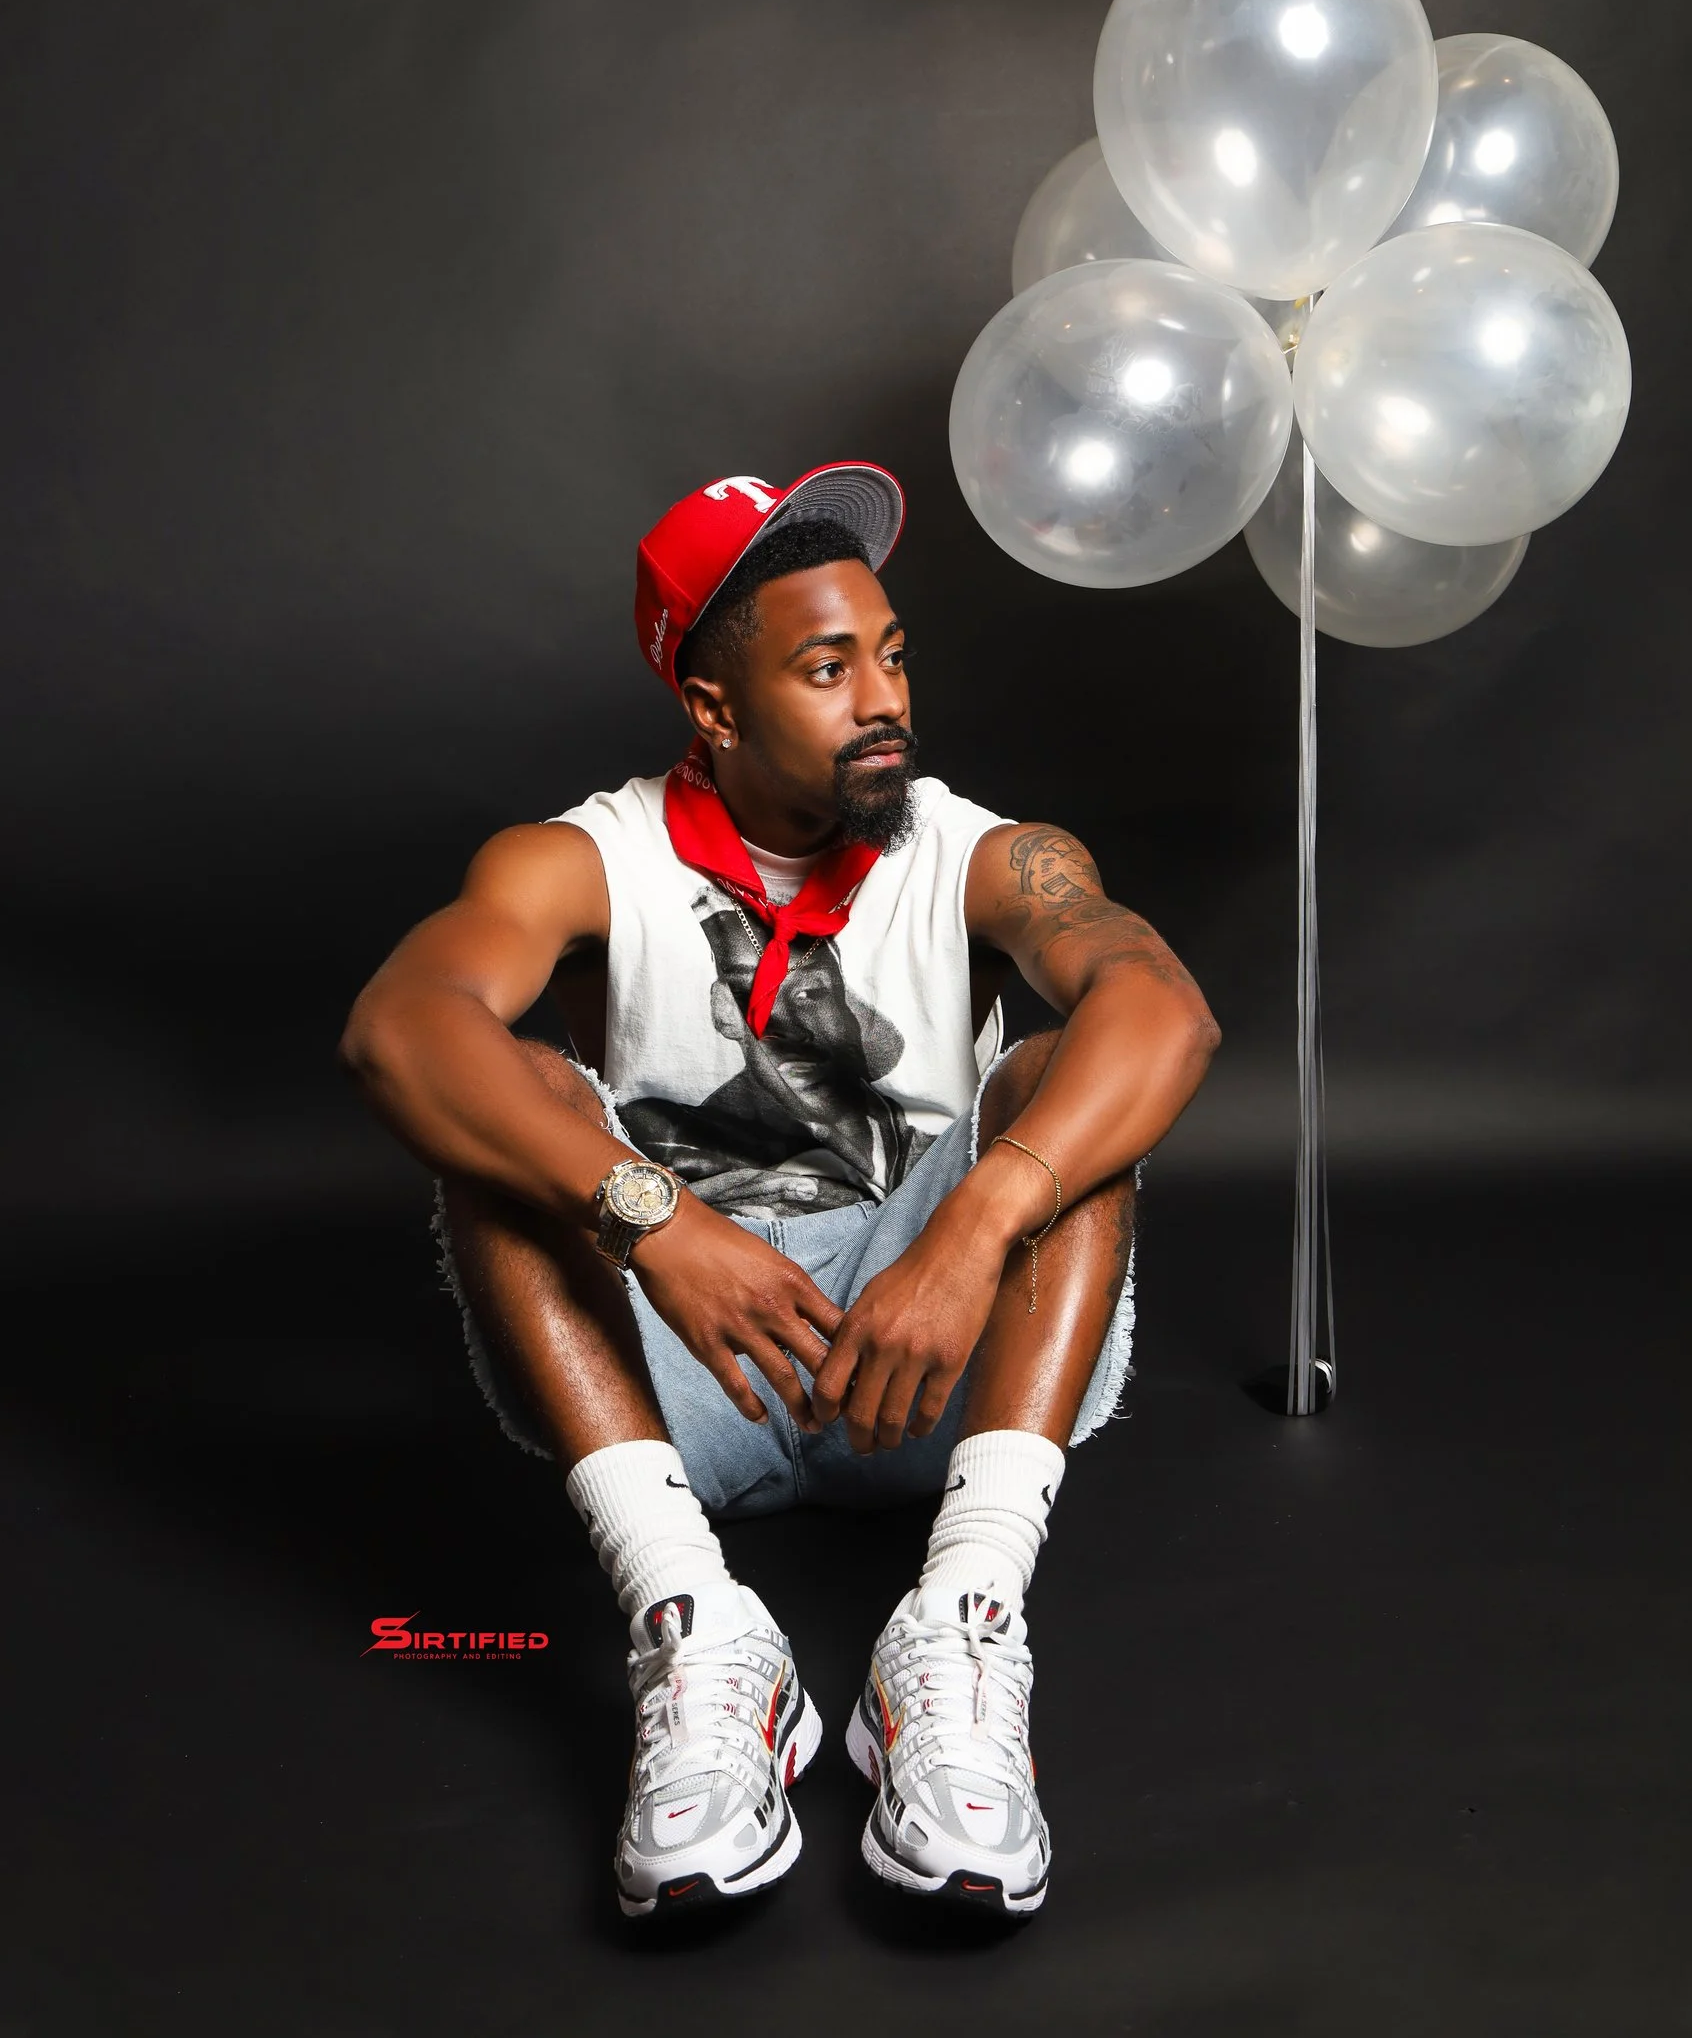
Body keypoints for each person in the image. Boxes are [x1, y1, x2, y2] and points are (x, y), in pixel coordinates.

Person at [341, 463, 1218, 1918]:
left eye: (891, 651)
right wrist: (655, 1217)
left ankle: (964, 1619)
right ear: (713, 707)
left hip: (929, 1359)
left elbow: (1165, 1010)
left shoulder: (983, 848)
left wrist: (972, 1228)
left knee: (1068, 1076)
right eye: (827, 667)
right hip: (692, 1380)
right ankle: (691, 1630)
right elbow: (400, 1026)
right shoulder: (584, 857)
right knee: (511, 1102)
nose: (884, 697)